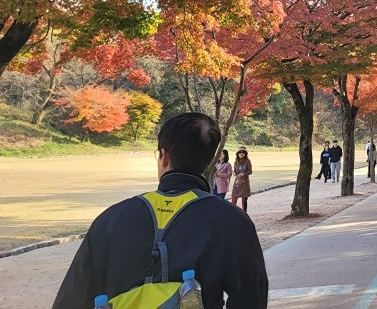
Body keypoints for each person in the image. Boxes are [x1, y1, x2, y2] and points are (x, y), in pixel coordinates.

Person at [53, 112, 268, 309]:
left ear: (164, 156)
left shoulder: (111, 219)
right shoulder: (232, 221)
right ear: (210, 159)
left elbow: (71, 300)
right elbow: (251, 299)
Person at [231, 146, 252, 212]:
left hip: (245, 182)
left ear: (245, 154)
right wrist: (234, 173)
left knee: (244, 199)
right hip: (237, 182)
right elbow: (235, 171)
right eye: (239, 152)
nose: (241, 153)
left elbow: (250, 171)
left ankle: (244, 212)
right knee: (234, 197)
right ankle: (233, 211)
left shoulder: (247, 161)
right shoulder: (235, 162)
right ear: (237, 154)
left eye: (243, 152)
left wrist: (243, 174)